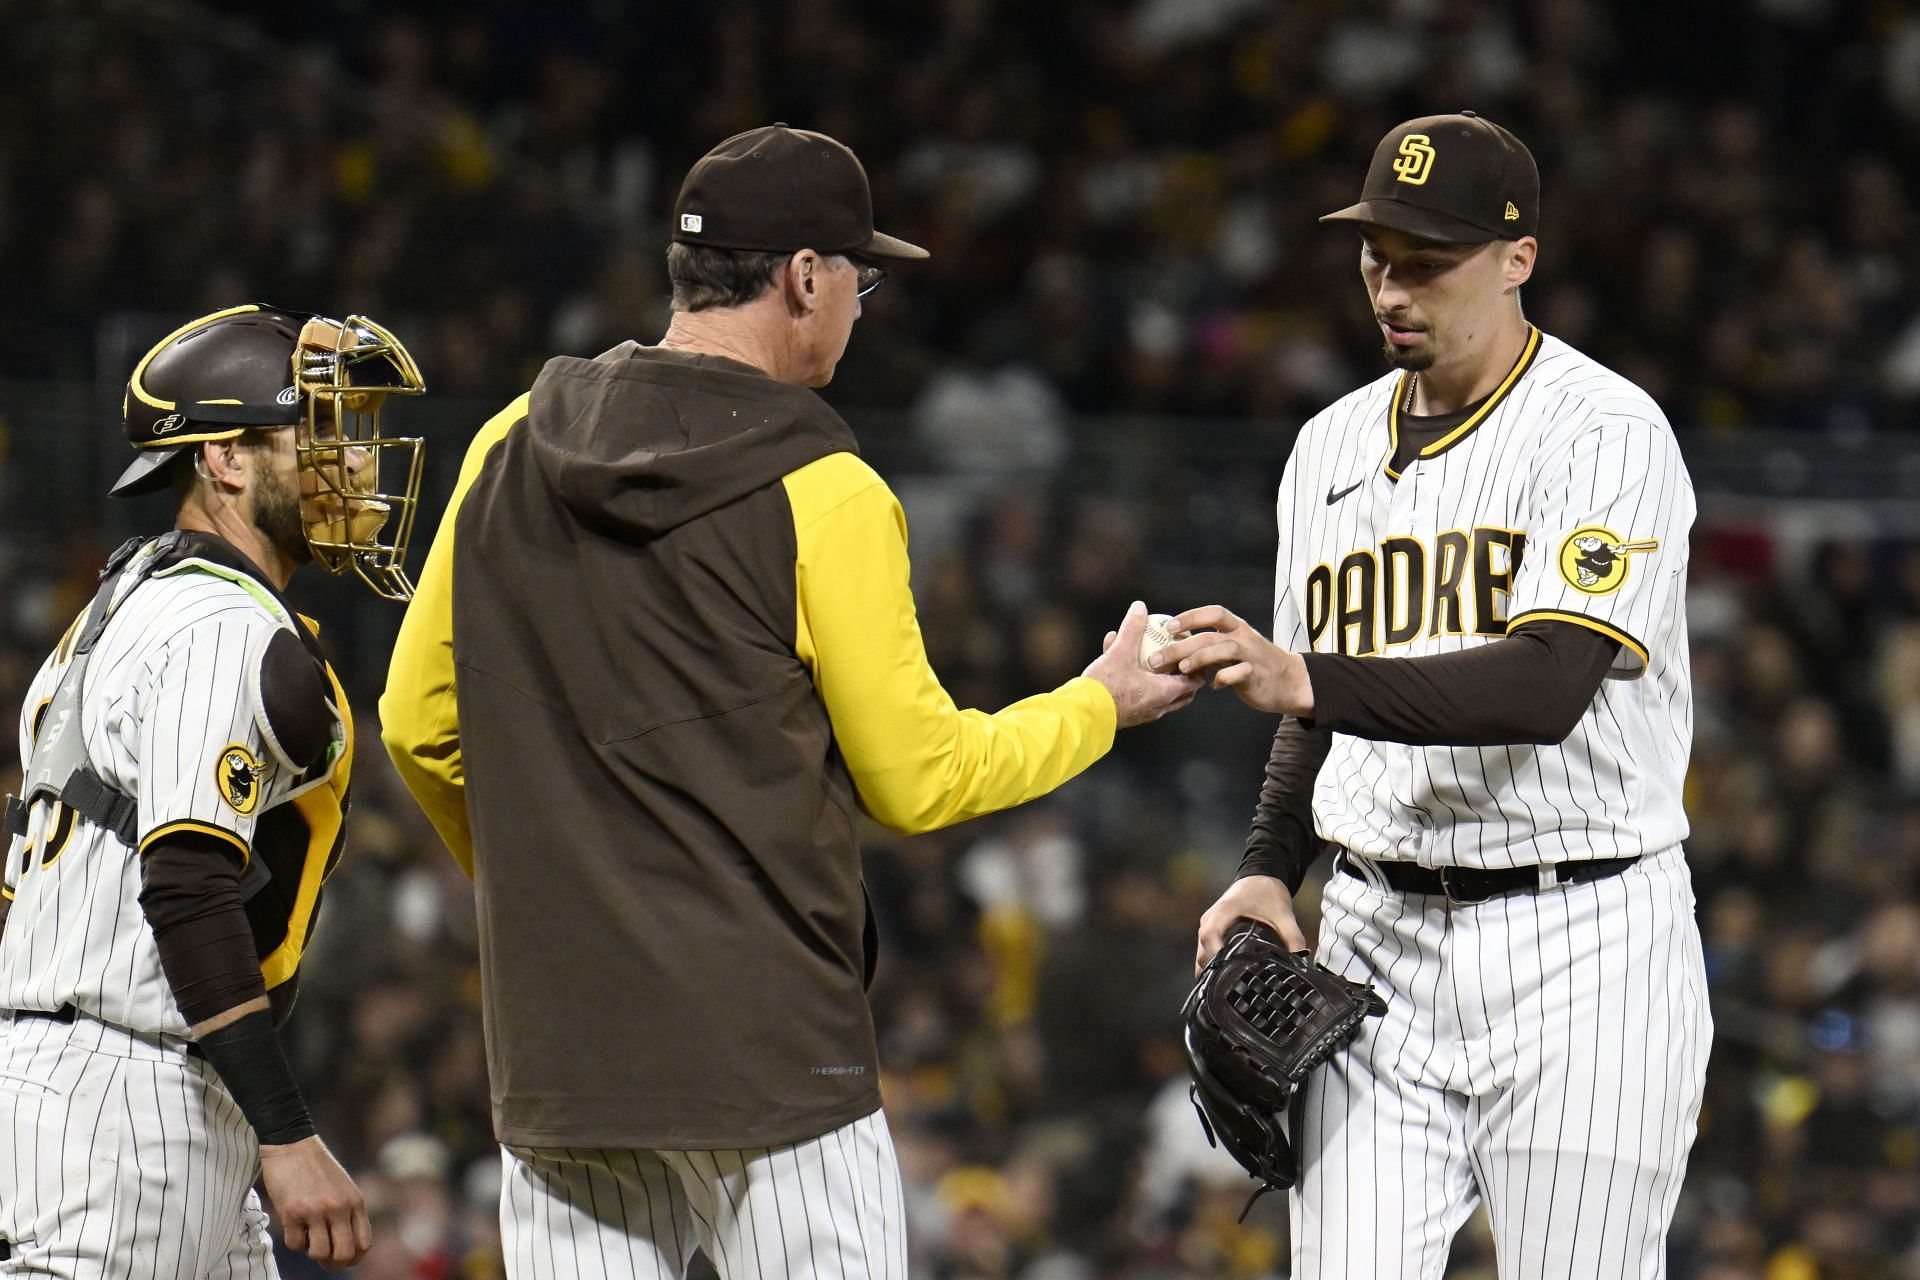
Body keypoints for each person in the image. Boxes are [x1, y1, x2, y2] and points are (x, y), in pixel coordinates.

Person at [379, 123, 1198, 1280]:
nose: (861, 306)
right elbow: (919, 778)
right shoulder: (822, 484)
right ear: (802, 278)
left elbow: (416, 721)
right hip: (771, 1063)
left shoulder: (508, 444)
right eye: (856, 278)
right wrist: (1098, 704)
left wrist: (563, 887)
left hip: (566, 1058)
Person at [1158, 113, 1711, 1277]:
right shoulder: (1326, 448)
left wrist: (1307, 674)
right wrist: (1269, 860)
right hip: (1374, 944)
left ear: (1518, 258)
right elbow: (1317, 714)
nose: (1392, 287)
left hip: (1586, 937)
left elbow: (1551, 679)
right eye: (1377, 257)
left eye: (1427, 261)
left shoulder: (1605, 431)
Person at [0, 304, 427, 1275]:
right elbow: (187, 883)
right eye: (315, 433)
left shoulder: (121, 605)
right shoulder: (218, 627)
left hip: (116, 1079)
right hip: (123, 1098)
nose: (351, 464)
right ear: (224, 460)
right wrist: (287, 1132)